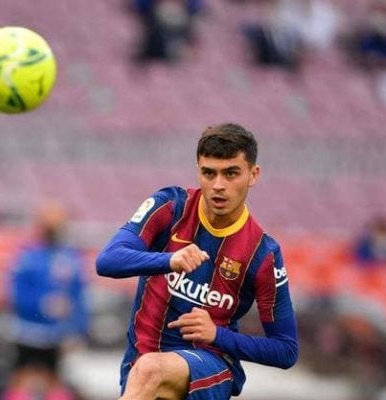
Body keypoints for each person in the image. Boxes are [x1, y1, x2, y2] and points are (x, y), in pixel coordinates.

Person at [96, 123, 298, 399]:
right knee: (147, 369)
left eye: (231, 173)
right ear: (198, 170)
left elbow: (286, 350)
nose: (218, 185)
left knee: (150, 369)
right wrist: (169, 260)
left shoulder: (263, 254)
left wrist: (217, 335)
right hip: (139, 363)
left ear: (253, 174)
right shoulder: (170, 207)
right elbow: (107, 261)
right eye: (209, 173)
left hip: (210, 366)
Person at [3, 201, 89, 400]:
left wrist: (78, 329)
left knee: (55, 380)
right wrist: (43, 306)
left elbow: (78, 295)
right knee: (20, 378)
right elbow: (15, 294)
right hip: (26, 331)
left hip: (57, 334)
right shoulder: (27, 256)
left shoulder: (70, 256)